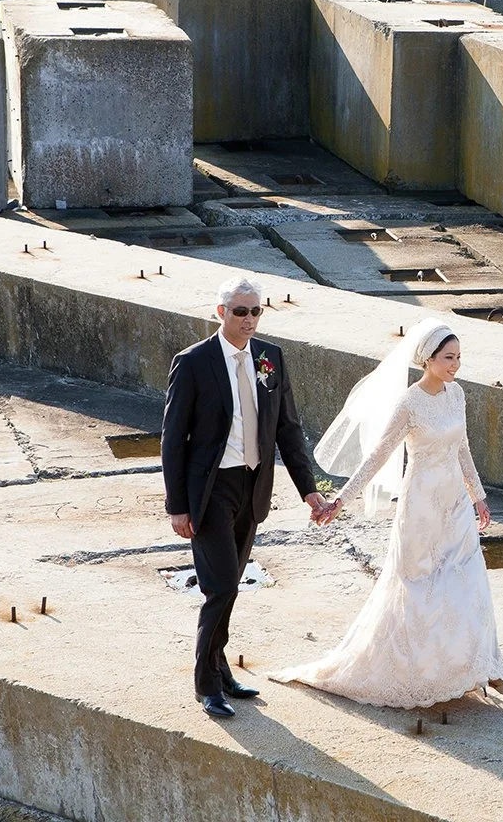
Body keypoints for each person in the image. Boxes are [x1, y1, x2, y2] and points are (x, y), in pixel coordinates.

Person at [271, 319, 503, 707]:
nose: (456, 365)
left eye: (459, 357)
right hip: (421, 506)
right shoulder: (409, 403)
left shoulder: (457, 395)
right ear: (428, 359)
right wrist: (340, 500)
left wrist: (478, 496)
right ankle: (420, 675)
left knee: (470, 581)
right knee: (420, 589)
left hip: (455, 503)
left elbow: (462, 448)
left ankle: (489, 670)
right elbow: (378, 456)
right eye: (448, 357)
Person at [162, 276, 328, 718]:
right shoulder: (193, 362)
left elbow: (288, 429)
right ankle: (206, 684)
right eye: (240, 311)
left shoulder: (270, 358)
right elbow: (173, 438)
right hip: (210, 490)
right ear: (221, 313)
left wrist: (309, 490)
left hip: (253, 487)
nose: (249, 319)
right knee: (220, 586)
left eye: (256, 311)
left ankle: (220, 670)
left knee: (230, 585)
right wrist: (177, 506)